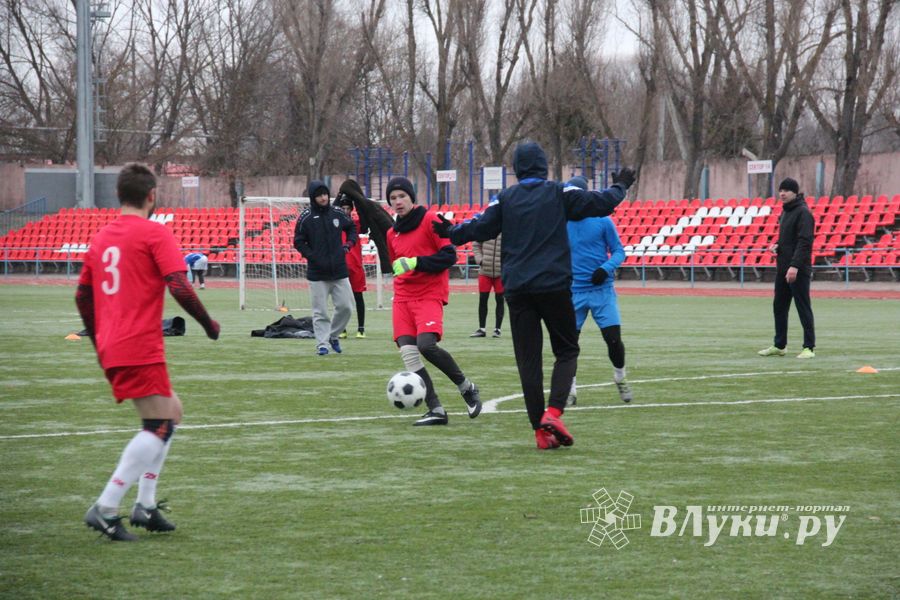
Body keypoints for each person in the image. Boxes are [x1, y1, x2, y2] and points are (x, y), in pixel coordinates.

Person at [434, 142, 634, 449]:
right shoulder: (559, 192)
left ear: (516, 168)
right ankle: (553, 413)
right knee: (566, 351)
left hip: (518, 290)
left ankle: (539, 432)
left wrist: (450, 231)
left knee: (528, 362)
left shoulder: (505, 198)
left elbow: (477, 227)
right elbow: (602, 202)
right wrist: (621, 184)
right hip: (554, 286)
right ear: (543, 166)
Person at [76, 163, 220, 541]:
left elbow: (82, 296)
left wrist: (98, 342)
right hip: (138, 343)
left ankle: (146, 504)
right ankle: (107, 507)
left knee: (172, 411)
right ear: (152, 195)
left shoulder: (101, 237)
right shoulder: (155, 233)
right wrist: (208, 324)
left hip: (115, 343)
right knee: (157, 425)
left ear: (119, 195)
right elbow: (180, 285)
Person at [386, 176, 482, 426]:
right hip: (403, 298)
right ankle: (436, 409)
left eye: (402, 196)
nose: (398, 202)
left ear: (412, 197)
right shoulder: (391, 233)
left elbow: (450, 257)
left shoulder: (432, 220)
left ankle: (467, 387)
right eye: (393, 198)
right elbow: (396, 264)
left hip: (429, 294)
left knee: (426, 345)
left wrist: (417, 262)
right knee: (408, 352)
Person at [563, 176, 631, 406]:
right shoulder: (561, 222)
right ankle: (571, 389)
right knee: (570, 344)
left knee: (613, 341)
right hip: (573, 292)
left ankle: (620, 376)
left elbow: (620, 251)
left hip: (602, 291)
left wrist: (606, 268)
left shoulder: (603, 220)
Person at [293, 180, 358, 356]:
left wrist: (348, 244)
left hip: (339, 271)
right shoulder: (306, 217)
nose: (323, 197)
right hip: (317, 274)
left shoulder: (337, 213)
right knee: (320, 312)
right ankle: (322, 344)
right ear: (313, 198)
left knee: (346, 308)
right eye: (319, 195)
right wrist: (312, 256)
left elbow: (352, 228)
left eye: (325, 194)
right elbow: (298, 241)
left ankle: (333, 336)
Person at [758, 177, 816, 359]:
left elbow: (805, 242)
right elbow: (789, 239)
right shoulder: (785, 212)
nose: (782, 193)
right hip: (783, 267)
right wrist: (777, 245)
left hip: (797, 269)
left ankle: (809, 347)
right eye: (780, 190)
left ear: (795, 192)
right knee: (779, 307)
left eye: (786, 190)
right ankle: (779, 345)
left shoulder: (803, 213)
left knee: (802, 307)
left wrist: (795, 266)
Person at [335, 193, 367, 339]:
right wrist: (339, 195)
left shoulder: (356, 224)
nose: (346, 211)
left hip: (355, 266)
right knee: (341, 299)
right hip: (340, 265)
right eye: (343, 208)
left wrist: (357, 198)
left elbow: (365, 220)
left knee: (358, 297)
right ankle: (342, 328)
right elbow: (330, 210)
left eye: (348, 208)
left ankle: (361, 328)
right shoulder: (335, 223)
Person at [469, 231, 505, 338]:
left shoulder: (508, 228)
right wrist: (480, 260)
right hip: (485, 272)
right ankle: (482, 329)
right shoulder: (487, 227)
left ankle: (497, 329)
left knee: (500, 300)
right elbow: (476, 244)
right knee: (483, 300)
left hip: (501, 273)